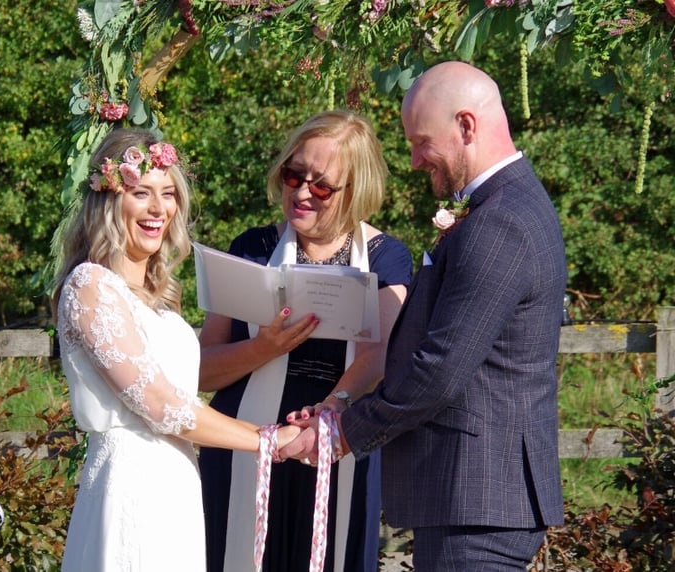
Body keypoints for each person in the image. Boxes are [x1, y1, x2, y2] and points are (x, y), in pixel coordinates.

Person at [281, 61, 568, 571]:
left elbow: (440, 369)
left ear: (466, 126)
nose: (414, 161)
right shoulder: (505, 205)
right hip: (476, 496)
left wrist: (343, 432)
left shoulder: (499, 223)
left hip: (477, 494)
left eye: (420, 142)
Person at [51, 128, 299, 572]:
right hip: (131, 486)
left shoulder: (158, 299)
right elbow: (160, 403)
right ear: (108, 200)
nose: (158, 209)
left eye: (168, 194)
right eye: (141, 193)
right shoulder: (90, 285)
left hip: (177, 484)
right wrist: (267, 440)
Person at [198, 110, 413, 572]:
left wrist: (330, 410)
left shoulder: (386, 260)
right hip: (245, 449)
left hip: (334, 447)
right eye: (293, 175)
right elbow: (202, 371)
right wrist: (264, 348)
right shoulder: (251, 249)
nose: (300, 193)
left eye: (321, 186)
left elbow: (378, 357)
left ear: (356, 190)